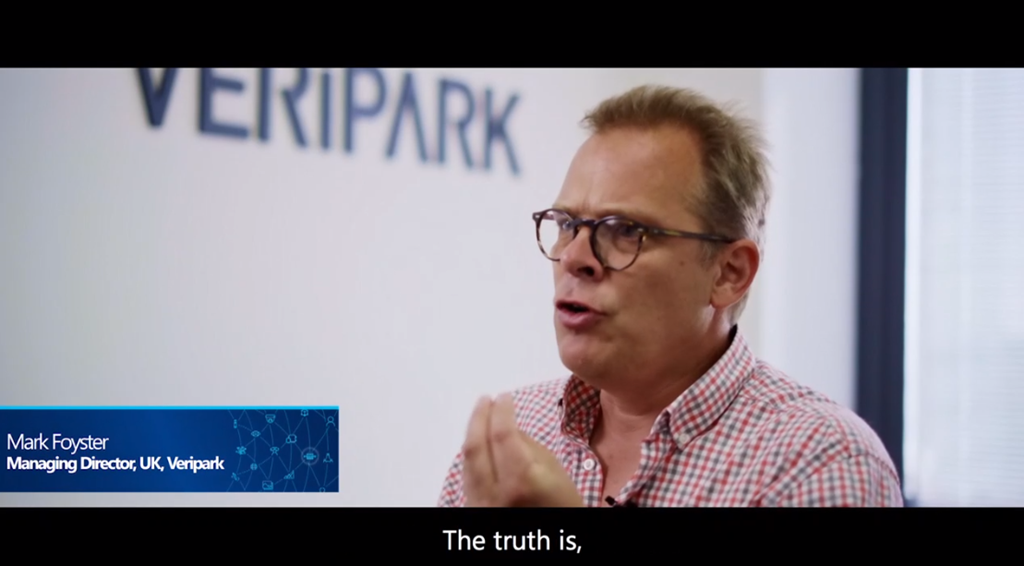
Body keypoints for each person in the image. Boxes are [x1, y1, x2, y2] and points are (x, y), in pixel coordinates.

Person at [437, 85, 903, 507]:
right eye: (566, 224)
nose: (574, 257)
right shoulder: (512, 443)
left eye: (624, 230)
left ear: (729, 273)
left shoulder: (821, 460)